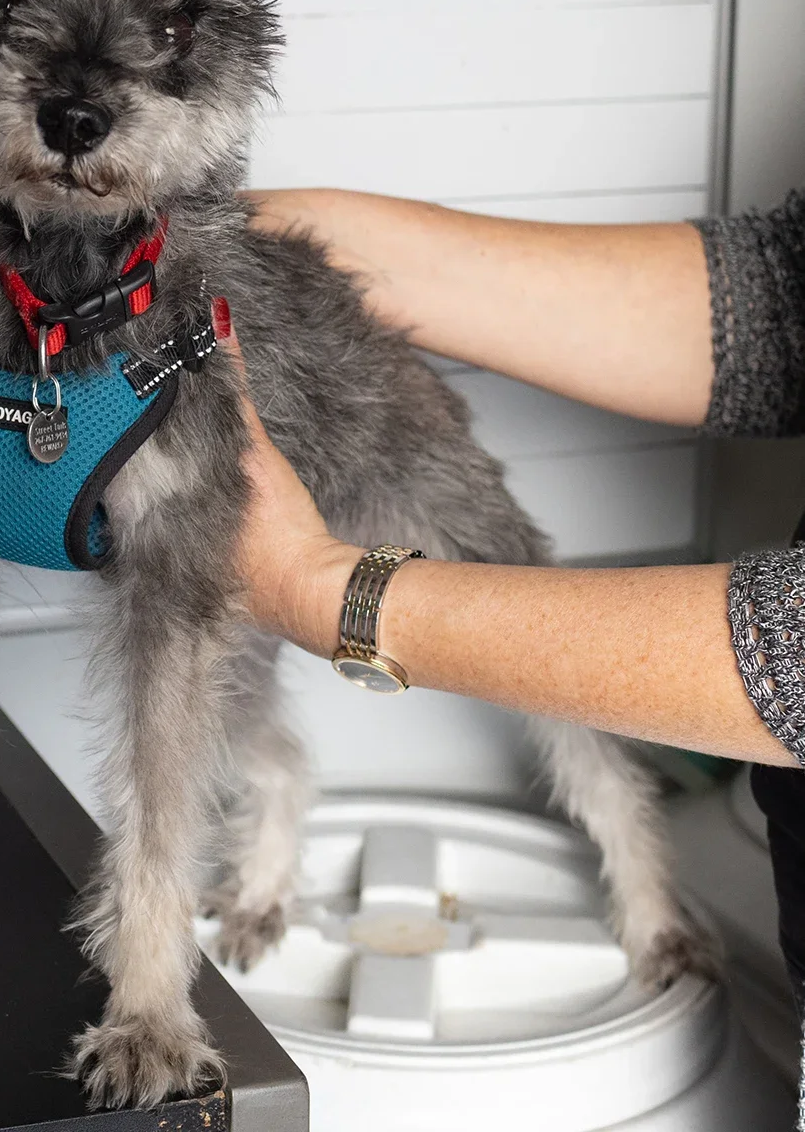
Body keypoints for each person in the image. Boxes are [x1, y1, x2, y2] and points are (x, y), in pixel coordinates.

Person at [229, 187, 805, 1012]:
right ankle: (266, 845)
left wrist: (322, 592)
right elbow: (781, 298)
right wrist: (297, 238)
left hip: (383, 436)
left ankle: (646, 887)